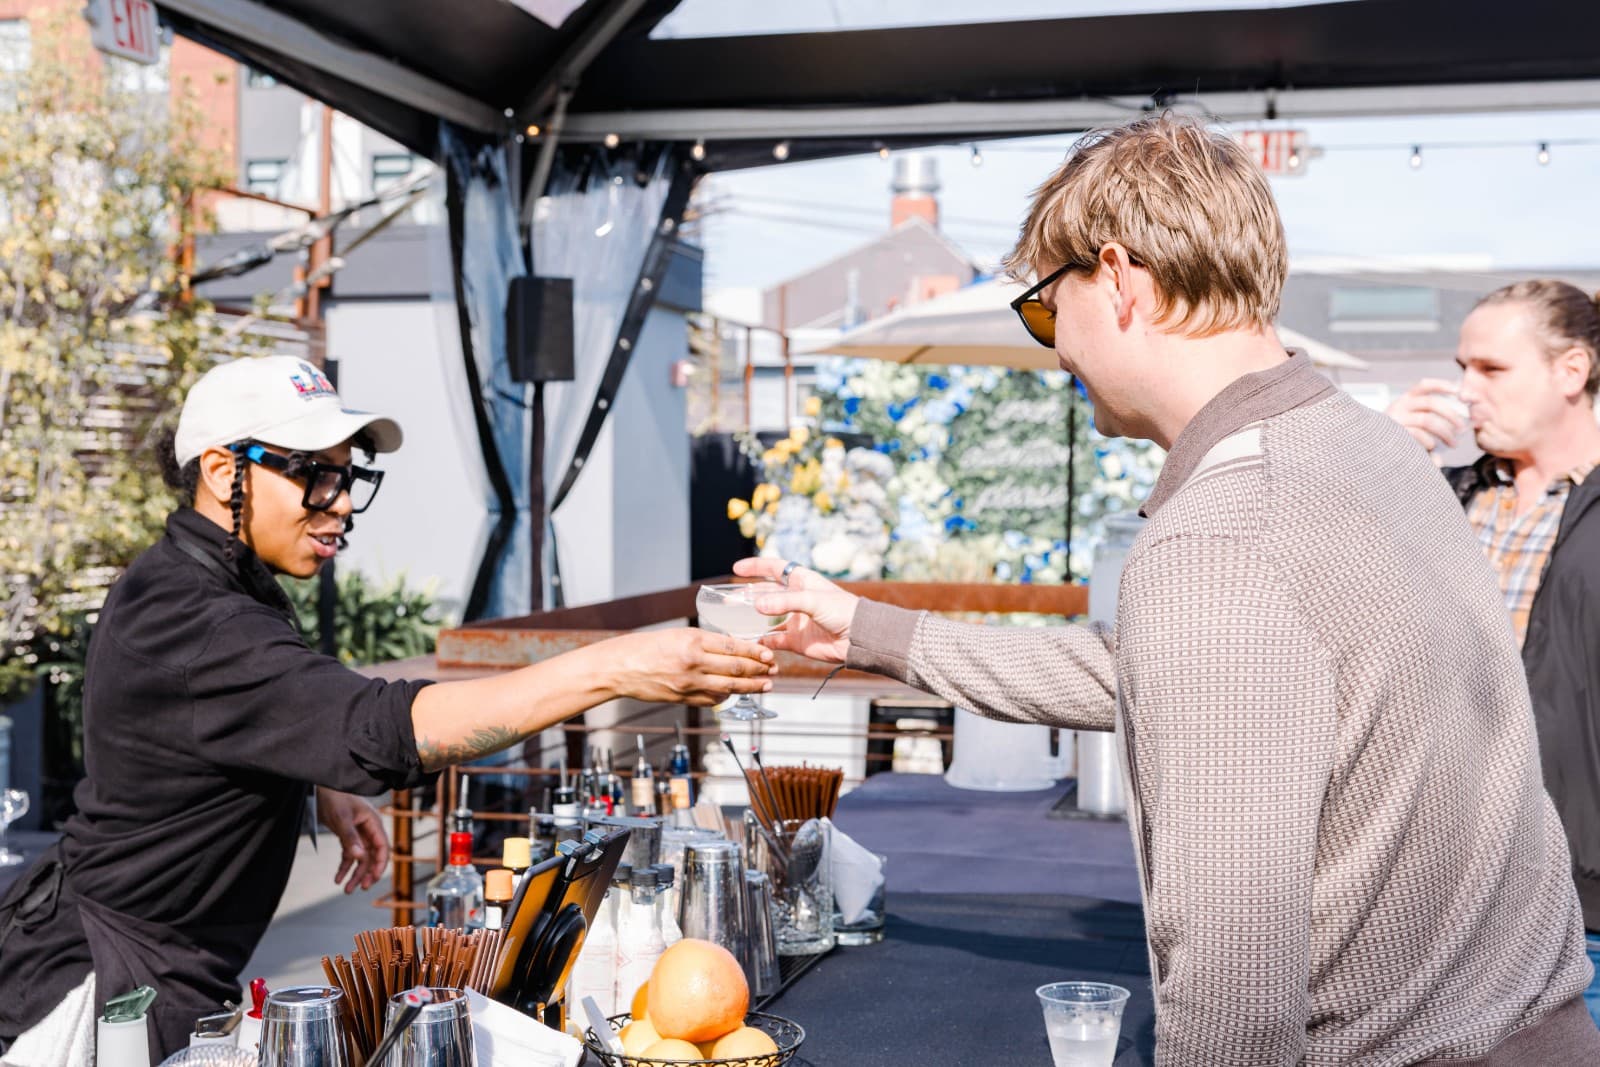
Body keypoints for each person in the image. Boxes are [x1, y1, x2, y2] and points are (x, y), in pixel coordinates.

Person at [740, 116, 1599, 1064]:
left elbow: (1231, 980)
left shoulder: (1226, 532)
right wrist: (869, 629)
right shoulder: (1366, 447)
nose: (1050, 344)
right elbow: (1163, 672)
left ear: (1119, 280)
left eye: (1040, 307)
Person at [0, 356, 774, 1061]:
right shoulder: (196, 616)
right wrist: (618, 664)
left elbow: (231, 713)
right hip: (96, 998)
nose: (338, 503)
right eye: (312, 474)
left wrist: (314, 778)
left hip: (146, 969)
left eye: (347, 475)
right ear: (220, 469)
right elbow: (389, 727)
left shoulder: (204, 584)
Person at [1386, 280, 1600, 1024]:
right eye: (1462, 366)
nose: (1464, 389)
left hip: (1582, 900)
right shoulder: (1435, 493)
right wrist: (1379, 466)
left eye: (1492, 369)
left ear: (1572, 371)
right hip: (1439, 890)